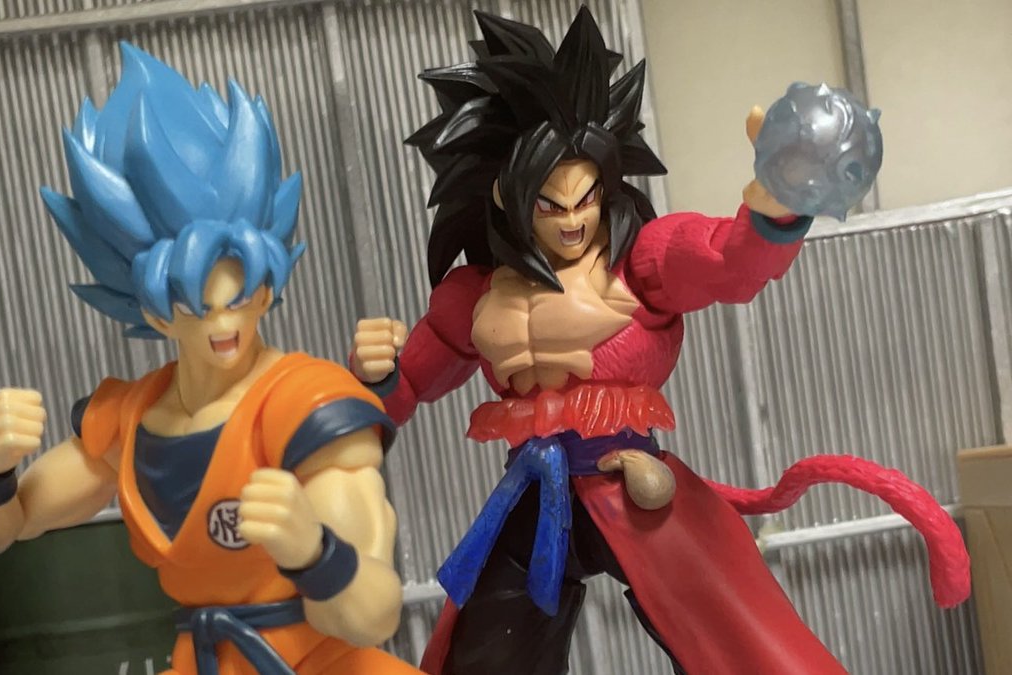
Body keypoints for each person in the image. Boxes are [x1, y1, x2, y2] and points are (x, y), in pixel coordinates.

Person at [350, 8, 969, 675]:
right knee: (486, 655)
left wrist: (775, 207)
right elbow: (409, 386)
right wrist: (376, 376)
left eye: (586, 198)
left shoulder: (640, 261)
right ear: (508, 195)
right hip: (534, 496)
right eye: (550, 204)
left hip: (633, 485)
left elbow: (728, 262)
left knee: (734, 640)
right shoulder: (475, 294)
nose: (572, 220)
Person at [0, 43, 422, 675]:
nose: (223, 325)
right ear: (155, 313)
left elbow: (373, 614)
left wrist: (314, 553)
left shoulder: (306, 406)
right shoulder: (132, 420)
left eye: (240, 298)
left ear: (266, 288)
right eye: (197, 307)